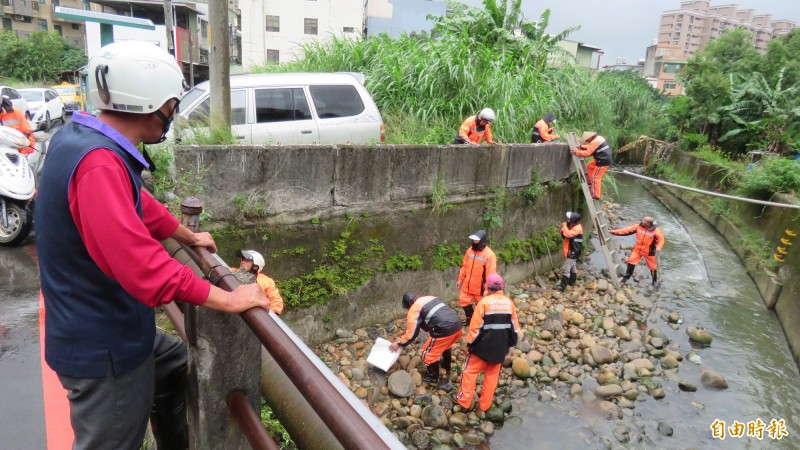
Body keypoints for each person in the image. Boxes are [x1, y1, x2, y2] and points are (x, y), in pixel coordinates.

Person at [34, 41, 269, 450]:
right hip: (104, 346)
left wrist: (186, 234)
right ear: (155, 104)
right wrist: (228, 299)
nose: (172, 113)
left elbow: (135, 203)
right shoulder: (100, 164)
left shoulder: (80, 138)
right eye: (173, 103)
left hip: (105, 322)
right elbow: (143, 267)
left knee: (174, 364)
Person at [454, 274, 520, 412]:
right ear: (501, 288)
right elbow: (514, 329)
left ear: (487, 287)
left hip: (481, 349)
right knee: (491, 376)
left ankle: (464, 402)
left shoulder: (483, 303)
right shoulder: (509, 303)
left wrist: (469, 344)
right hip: (500, 348)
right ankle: (485, 406)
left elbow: (475, 329)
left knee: (468, 372)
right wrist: (509, 347)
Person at [389, 292, 463, 389]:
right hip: (458, 325)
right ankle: (447, 366)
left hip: (444, 329)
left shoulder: (414, 309)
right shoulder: (429, 298)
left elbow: (412, 334)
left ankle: (433, 377)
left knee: (426, 354)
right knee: (445, 345)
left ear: (408, 305)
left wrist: (399, 343)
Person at [456, 230, 497, 326]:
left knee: (484, 306)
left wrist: (487, 289)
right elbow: (464, 266)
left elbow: (490, 274)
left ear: (482, 240)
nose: (474, 242)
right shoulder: (469, 251)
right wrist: (460, 280)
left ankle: (484, 324)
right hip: (467, 285)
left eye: (476, 240)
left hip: (480, 288)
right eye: (473, 240)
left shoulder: (489, 255)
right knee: (464, 301)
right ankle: (470, 319)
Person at [610, 216, 666, 285]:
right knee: (631, 261)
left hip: (649, 252)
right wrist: (613, 232)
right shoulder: (638, 226)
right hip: (638, 249)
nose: (642, 221)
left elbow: (661, 240)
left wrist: (659, 247)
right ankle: (627, 276)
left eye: (644, 221)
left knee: (653, 267)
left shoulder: (656, 231)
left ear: (648, 223)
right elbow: (626, 230)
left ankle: (654, 281)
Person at [232, 249, 284, 315]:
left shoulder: (267, 282)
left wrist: (265, 317)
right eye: (243, 259)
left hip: (253, 313)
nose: (242, 262)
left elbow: (277, 303)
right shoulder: (232, 271)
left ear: (255, 267)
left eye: (247, 261)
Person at [571, 131, 613, 200]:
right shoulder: (598, 138)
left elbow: (587, 153)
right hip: (601, 159)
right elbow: (591, 146)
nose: (587, 141)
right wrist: (582, 147)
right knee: (589, 167)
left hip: (603, 161)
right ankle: (591, 183)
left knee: (596, 177)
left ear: (590, 138)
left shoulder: (595, 141)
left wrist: (576, 152)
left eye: (587, 140)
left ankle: (596, 195)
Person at [557, 211, 583, 291]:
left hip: (573, 251)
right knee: (573, 267)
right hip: (574, 250)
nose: (568, 220)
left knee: (566, 268)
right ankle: (572, 281)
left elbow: (568, 234)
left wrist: (564, 226)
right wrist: (563, 228)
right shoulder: (574, 225)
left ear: (573, 219)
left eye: (569, 218)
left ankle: (562, 286)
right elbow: (564, 235)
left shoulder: (577, 228)